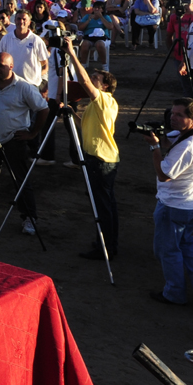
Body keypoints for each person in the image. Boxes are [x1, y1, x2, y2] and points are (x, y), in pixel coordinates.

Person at [145, 98, 193, 306]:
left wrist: (154, 147)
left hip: (174, 206)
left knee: (167, 250)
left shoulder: (189, 146)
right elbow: (174, 139)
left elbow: (164, 174)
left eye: (178, 115)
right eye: (172, 113)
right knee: (186, 243)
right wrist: (160, 138)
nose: (172, 118)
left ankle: (174, 293)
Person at [0, 52, 46, 235]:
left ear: (11, 66)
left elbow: (43, 108)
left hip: (14, 139)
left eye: (0, 65)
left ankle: (29, 217)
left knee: (20, 179)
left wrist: (32, 133)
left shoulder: (23, 87)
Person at [63, 39, 120, 259]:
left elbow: (84, 80)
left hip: (100, 159)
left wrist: (71, 54)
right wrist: (71, 113)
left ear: (105, 85)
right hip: (101, 157)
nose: (92, 80)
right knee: (107, 204)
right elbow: (84, 126)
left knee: (102, 206)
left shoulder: (104, 99)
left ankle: (106, 247)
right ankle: (108, 243)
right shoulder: (97, 106)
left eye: (97, 78)